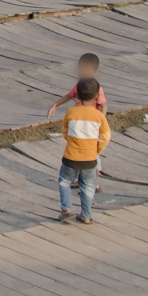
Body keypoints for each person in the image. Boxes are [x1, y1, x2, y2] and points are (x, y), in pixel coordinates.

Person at [48, 53, 108, 192]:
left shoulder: (96, 88)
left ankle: (94, 183)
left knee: (93, 157)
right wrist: (55, 104)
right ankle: (81, 180)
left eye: (86, 70)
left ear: (95, 72)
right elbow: (69, 96)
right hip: (79, 125)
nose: (83, 72)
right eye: (81, 69)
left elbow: (104, 105)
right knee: (79, 155)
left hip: (91, 127)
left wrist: (101, 120)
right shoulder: (79, 86)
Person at [57, 78, 110, 225]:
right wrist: (97, 150)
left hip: (70, 157)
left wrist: (71, 141)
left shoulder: (71, 111)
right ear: (96, 98)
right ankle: (86, 216)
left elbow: (65, 131)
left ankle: (66, 209)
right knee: (87, 187)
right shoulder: (99, 116)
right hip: (90, 159)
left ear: (77, 97)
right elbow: (105, 137)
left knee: (64, 182)